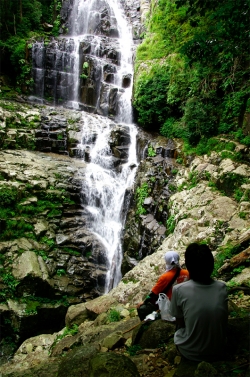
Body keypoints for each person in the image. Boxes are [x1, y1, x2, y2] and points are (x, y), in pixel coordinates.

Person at [170, 243, 228, 362]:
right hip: (220, 350)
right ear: (211, 265)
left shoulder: (178, 290)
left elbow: (180, 322)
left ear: (188, 267)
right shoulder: (222, 287)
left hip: (190, 352)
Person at [137, 250, 189, 321]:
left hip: (170, 306)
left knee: (141, 309)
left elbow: (153, 294)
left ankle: (147, 325)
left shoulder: (165, 277)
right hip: (185, 304)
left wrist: (144, 302)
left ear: (167, 261)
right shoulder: (187, 273)